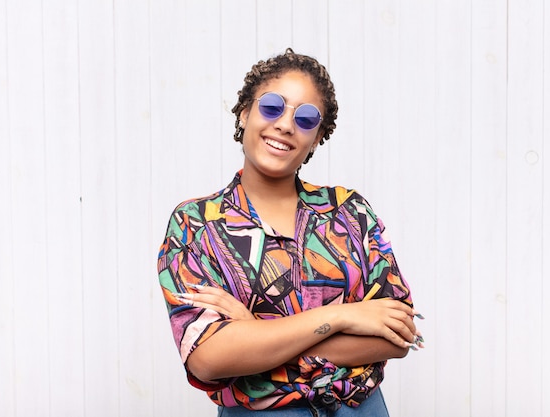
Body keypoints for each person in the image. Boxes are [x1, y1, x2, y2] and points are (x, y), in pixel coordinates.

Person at [157, 48, 423, 417]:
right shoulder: (197, 224)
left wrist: (255, 334)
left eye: (306, 118)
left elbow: (398, 334)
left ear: (317, 138)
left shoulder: (349, 212)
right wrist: (344, 318)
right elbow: (208, 358)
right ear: (245, 112)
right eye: (271, 107)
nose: (285, 125)